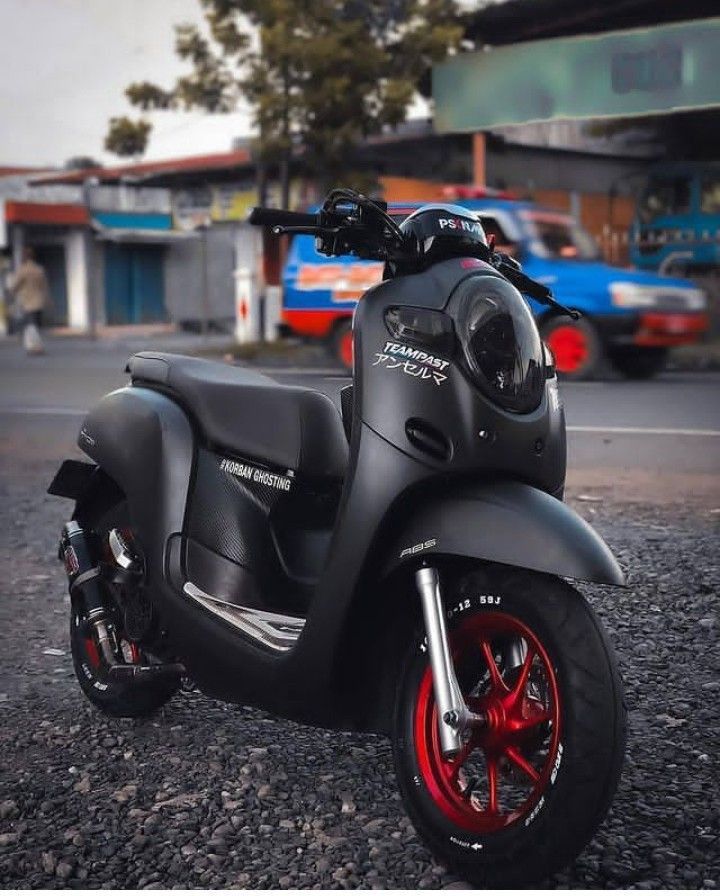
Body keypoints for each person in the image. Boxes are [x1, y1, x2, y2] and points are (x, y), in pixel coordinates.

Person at [10, 246, 49, 354]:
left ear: (24, 257)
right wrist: (47, 300)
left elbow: (14, 286)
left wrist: (12, 293)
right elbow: (44, 286)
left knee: (30, 325)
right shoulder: (39, 269)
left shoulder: (23, 270)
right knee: (35, 324)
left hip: (27, 302)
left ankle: (34, 347)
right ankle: (36, 346)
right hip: (39, 301)